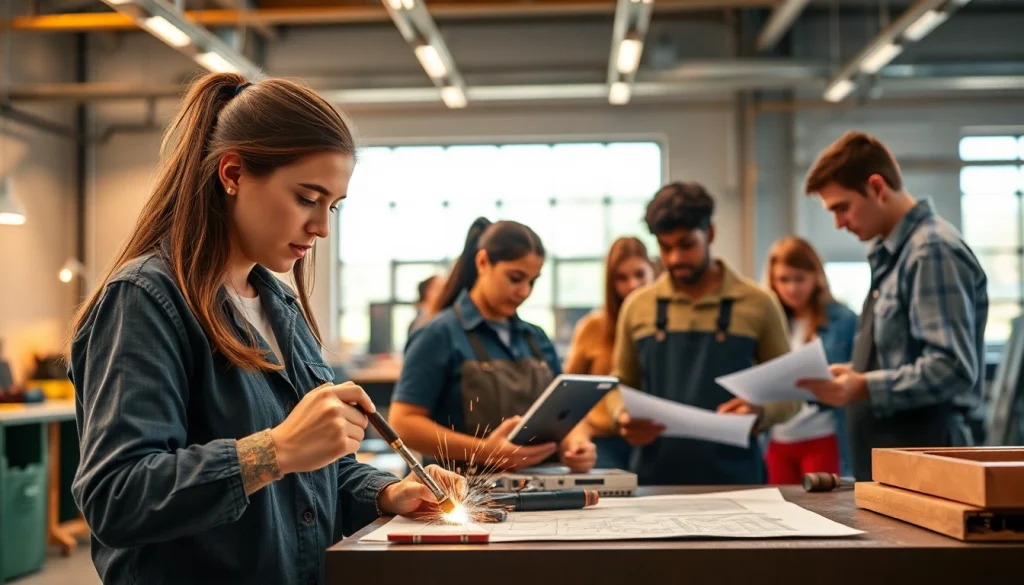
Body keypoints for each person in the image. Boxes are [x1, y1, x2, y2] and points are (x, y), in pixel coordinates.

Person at [66, 73, 464, 585]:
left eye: (333, 206)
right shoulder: (144, 300)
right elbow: (116, 497)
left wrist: (385, 492)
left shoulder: (279, 305)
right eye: (306, 198)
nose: (321, 227)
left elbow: (315, 468)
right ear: (232, 173)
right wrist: (272, 451)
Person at [568, 181, 801, 485]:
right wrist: (621, 416)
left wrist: (761, 411)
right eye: (666, 248)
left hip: (739, 482)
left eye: (687, 245)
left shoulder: (758, 303)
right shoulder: (638, 307)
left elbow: (791, 394)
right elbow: (619, 384)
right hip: (653, 482)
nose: (676, 258)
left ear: (711, 234)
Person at [797, 131, 988, 481]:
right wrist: (854, 377)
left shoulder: (931, 250)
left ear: (877, 187)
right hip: (898, 458)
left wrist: (865, 386)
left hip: (928, 458)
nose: (838, 223)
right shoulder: (893, 256)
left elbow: (952, 368)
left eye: (842, 207)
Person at [389, 217, 597, 473]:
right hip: (460, 494)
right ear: (483, 262)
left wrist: (576, 443)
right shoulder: (438, 334)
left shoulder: (536, 338)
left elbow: (563, 414)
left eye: (532, 281)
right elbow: (403, 423)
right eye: (515, 278)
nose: (524, 291)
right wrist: (486, 451)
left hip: (538, 494)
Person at [763, 236, 858, 482]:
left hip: (823, 436)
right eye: (783, 279)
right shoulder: (768, 321)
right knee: (778, 512)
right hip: (777, 439)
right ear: (773, 281)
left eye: (799, 279)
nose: (792, 288)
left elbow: (856, 377)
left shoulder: (843, 320)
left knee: (823, 510)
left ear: (816, 277)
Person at [564, 236, 655, 468]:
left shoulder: (666, 327)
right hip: (603, 440)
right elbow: (568, 394)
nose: (633, 285)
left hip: (653, 436)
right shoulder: (592, 327)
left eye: (639, 274)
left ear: (652, 271)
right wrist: (578, 438)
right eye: (621, 278)